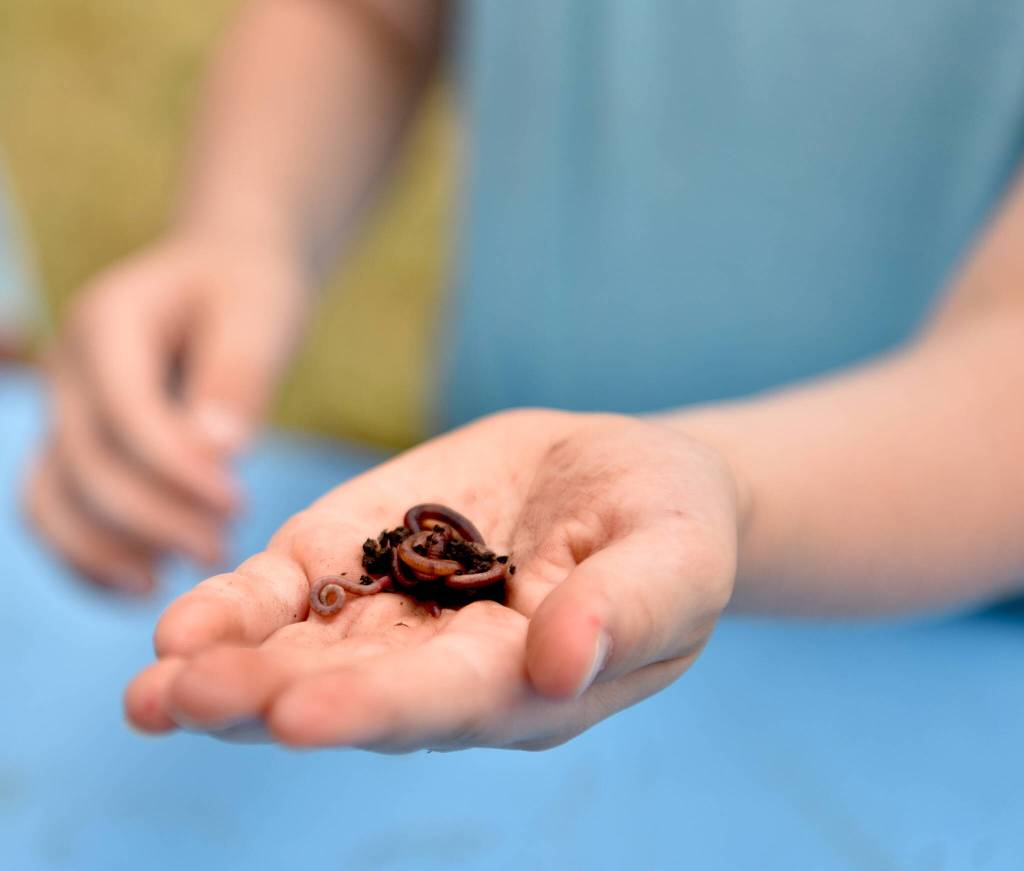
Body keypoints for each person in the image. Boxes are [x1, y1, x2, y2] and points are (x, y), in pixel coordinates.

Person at [24, 0, 1024, 751]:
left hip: (935, 652)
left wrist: (726, 486)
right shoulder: (439, 556)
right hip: (530, 552)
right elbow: (365, 16)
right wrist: (246, 229)